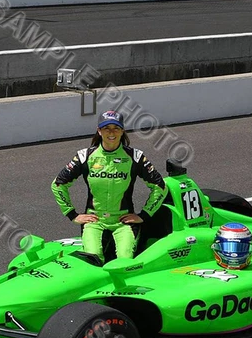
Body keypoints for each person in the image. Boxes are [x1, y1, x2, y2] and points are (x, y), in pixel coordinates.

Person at [52, 110, 166, 262]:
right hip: (94, 221)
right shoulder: (84, 156)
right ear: (99, 131)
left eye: (116, 128)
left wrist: (144, 215)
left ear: (122, 131)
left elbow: (160, 186)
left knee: (124, 261)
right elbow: (58, 184)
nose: (111, 132)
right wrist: (72, 214)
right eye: (106, 128)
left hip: (123, 222)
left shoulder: (135, 156)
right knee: (93, 260)